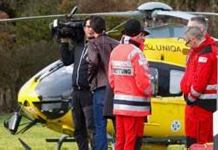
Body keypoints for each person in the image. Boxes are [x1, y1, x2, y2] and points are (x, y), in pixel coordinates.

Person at [108, 19, 151, 150]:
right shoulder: (136, 53)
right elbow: (143, 82)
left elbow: (111, 79)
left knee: (120, 139)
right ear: (138, 35)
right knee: (131, 141)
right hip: (134, 107)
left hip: (119, 104)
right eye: (142, 35)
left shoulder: (115, 50)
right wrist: (150, 92)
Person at [180, 26, 218, 147]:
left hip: (200, 106)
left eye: (187, 42)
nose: (188, 45)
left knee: (198, 142)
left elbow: (199, 82)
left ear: (193, 40)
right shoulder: (211, 50)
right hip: (206, 106)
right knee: (207, 141)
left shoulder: (205, 54)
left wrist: (190, 98)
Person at [60, 19, 95, 150]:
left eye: (92, 27)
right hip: (76, 92)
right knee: (78, 127)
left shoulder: (98, 45)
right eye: (87, 27)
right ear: (84, 29)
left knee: (91, 127)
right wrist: (64, 42)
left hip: (89, 92)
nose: (89, 29)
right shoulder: (79, 45)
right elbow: (67, 60)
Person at [86, 16, 119, 150]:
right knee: (118, 126)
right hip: (116, 88)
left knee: (100, 126)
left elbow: (93, 62)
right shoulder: (116, 43)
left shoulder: (93, 43)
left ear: (93, 29)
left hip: (100, 88)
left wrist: (89, 78)